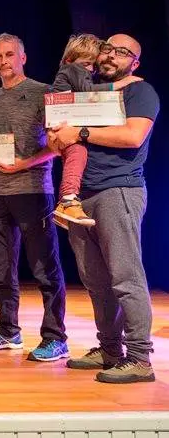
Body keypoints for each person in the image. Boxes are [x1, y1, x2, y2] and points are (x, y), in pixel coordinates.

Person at [50, 34, 158, 384]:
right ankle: (110, 349)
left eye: (123, 52)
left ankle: (140, 357)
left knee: (126, 278)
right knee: (96, 281)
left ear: (135, 61)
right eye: (108, 49)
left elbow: (132, 136)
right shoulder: (90, 89)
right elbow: (59, 137)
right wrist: (58, 135)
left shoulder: (140, 91)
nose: (112, 56)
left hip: (119, 190)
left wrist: (79, 132)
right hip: (81, 198)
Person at [0, 34, 67, 361]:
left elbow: (57, 145)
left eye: (9, 55)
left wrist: (24, 163)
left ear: (23, 57)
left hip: (33, 191)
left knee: (44, 268)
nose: (3, 61)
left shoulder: (43, 92)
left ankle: (56, 336)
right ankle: (6, 330)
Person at [50, 34, 142, 227]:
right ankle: (67, 200)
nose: (90, 69)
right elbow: (88, 91)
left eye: (92, 64)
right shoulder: (73, 69)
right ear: (69, 60)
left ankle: (66, 204)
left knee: (77, 156)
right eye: (86, 64)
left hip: (66, 121)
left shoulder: (73, 70)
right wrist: (119, 84)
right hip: (62, 120)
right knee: (77, 154)